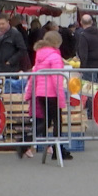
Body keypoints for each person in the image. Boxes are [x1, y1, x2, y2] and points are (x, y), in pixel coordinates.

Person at [24, 31, 73, 161]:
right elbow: (57, 80)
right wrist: (62, 100)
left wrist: (29, 93)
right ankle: (58, 150)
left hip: (40, 93)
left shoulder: (39, 55)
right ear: (57, 43)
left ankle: (28, 141)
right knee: (56, 121)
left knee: (46, 121)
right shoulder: (55, 57)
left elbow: (33, 76)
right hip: (52, 93)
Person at [75, 15, 98, 81]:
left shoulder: (83, 35)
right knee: (96, 86)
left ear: (81, 22)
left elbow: (83, 53)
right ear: (92, 22)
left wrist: (82, 67)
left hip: (89, 65)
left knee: (89, 88)